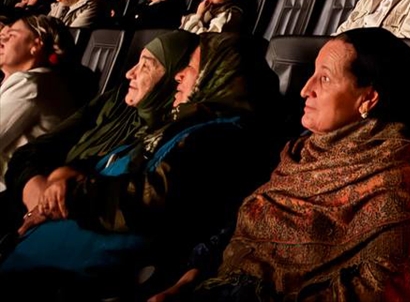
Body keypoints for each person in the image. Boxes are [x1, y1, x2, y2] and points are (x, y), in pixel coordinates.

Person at [151, 30, 410, 302]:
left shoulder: (394, 174)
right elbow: (244, 226)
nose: (305, 89)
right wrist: (186, 282)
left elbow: (384, 287)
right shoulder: (302, 151)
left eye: (324, 79)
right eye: (312, 74)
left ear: (368, 98)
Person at [3, 34, 276, 297]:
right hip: (45, 249)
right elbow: (101, 165)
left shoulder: (221, 136)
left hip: (72, 275)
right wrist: (59, 186)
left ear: (218, 75)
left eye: (191, 68)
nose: (180, 75)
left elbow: (152, 199)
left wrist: (70, 198)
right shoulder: (180, 125)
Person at [5, 32, 196, 236]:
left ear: (173, 79)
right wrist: (43, 197)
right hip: (36, 201)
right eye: (136, 62)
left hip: (74, 224)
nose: (130, 73)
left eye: (145, 66)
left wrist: (56, 200)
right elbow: (34, 150)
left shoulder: (165, 135)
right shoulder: (117, 101)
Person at [0, 16, 76, 193]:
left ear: (36, 45)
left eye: (11, 35)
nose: (1, 39)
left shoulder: (31, 84)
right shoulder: (41, 79)